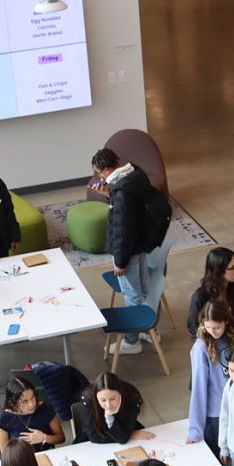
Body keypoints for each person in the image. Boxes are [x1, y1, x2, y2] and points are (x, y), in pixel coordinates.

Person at [92, 147, 153, 354]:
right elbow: (130, 212)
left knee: (131, 294)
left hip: (129, 250)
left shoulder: (122, 192)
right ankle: (147, 329)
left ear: (106, 169)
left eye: (99, 173)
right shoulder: (135, 175)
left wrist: (120, 261)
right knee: (144, 289)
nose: (100, 177)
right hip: (142, 244)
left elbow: (122, 229)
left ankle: (131, 341)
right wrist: (110, 195)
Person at [186, 300, 234, 453]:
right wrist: (195, 429)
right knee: (224, 460)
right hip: (217, 414)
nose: (213, 332)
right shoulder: (201, 348)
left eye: (217, 327)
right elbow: (198, 389)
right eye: (208, 327)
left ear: (226, 321)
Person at [185, 246, 234, 352]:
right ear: (219, 271)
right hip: (216, 349)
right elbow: (194, 329)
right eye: (233, 268)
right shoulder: (200, 298)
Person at [74, 372, 155, 444]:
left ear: (120, 394)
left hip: (123, 426)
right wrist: (130, 435)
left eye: (112, 399)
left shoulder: (132, 396)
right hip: (97, 437)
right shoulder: (88, 399)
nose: (108, 405)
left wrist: (124, 434)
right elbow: (95, 437)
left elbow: (123, 438)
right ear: (96, 397)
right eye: (103, 400)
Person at [0, 375, 66, 453]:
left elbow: (61, 438)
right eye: (25, 401)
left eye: (32, 397)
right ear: (13, 402)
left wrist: (44, 438)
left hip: (47, 455)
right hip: (20, 460)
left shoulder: (44, 409)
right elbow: (5, 453)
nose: (31, 404)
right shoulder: (4, 418)